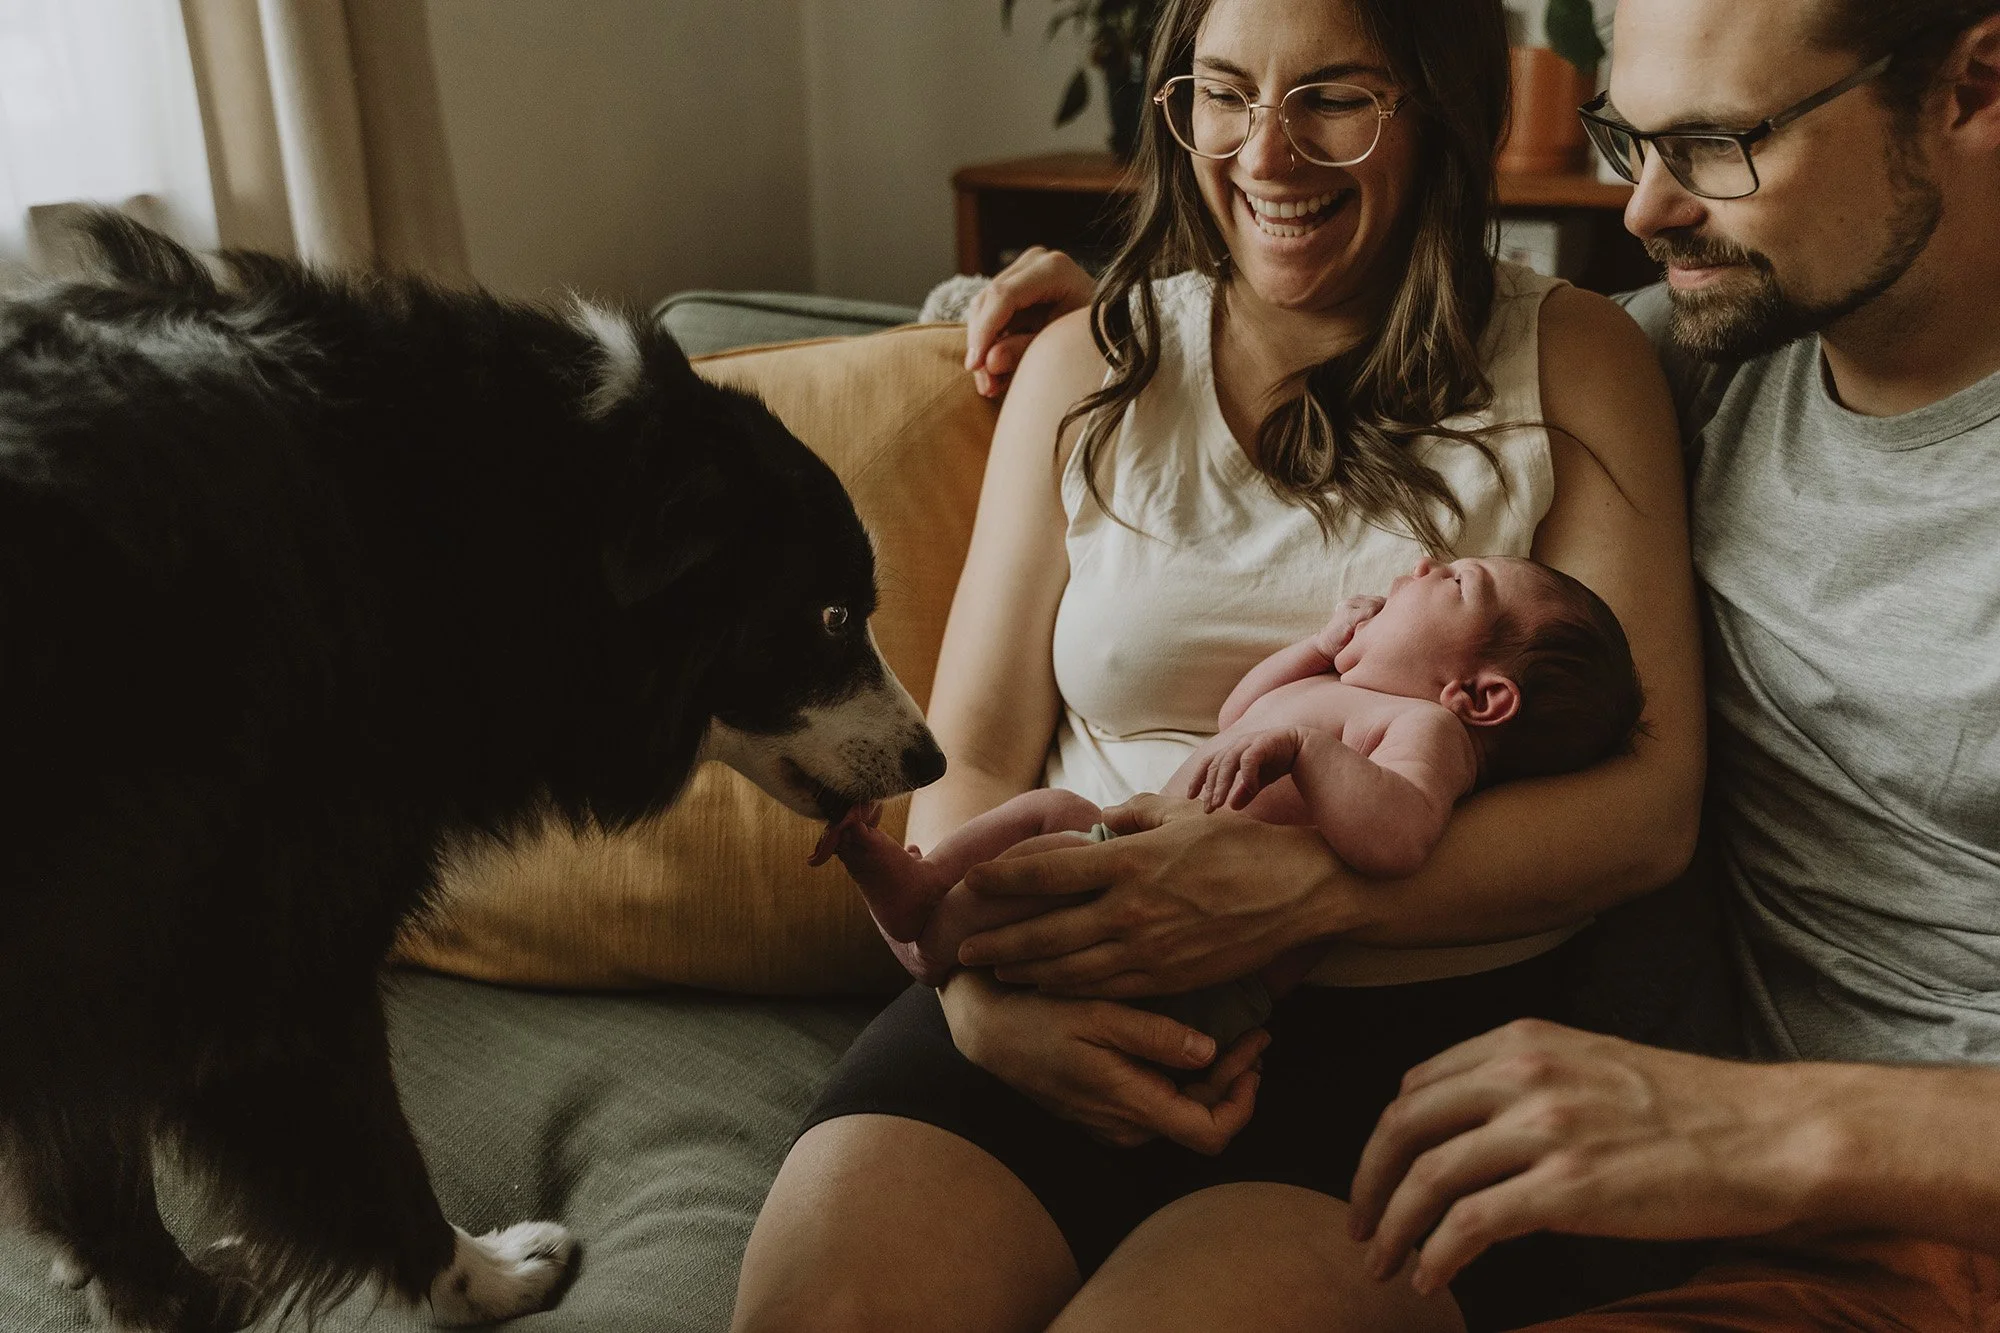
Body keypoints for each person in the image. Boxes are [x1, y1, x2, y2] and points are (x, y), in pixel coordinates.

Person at [946, 0, 2000, 1326]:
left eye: (1722, 143)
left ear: (1976, 85)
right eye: (1632, 137)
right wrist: (1060, 314)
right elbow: (1394, 337)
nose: (1646, 209)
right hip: (1759, 1237)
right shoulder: (1726, 347)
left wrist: (1752, 1128)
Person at [730, 0, 1704, 1325]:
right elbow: (968, 757)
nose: (1266, 153)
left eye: (1336, 99)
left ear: (1440, 111)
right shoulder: (1087, 359)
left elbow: (1649, 816)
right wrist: (975, 995)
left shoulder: (1577, 358)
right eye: (1225, 92)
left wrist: (1296, 893)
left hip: (1394, 1048)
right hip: (1051, 990)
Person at [826, 556, 1644, 1059]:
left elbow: (1397, 836)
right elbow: (1238, 716)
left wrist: (1306, 750)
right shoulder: (1347, 692)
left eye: (1461, 580)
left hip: (1206, 957)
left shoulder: (1427, 730)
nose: (1426, 565)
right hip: (1137, 859)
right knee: (1051, 814)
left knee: (1044, 843)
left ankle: (928, 930)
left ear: (1481, 695)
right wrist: (1321, 649)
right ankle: (925, 891)